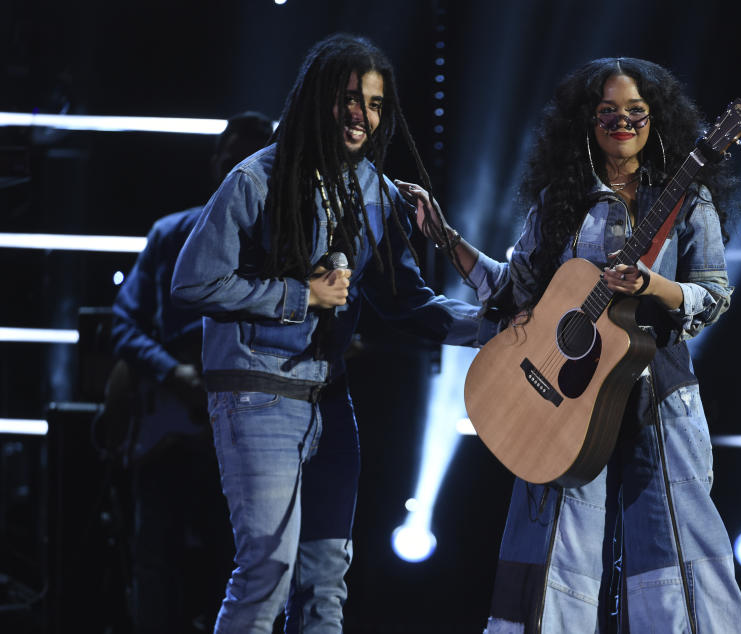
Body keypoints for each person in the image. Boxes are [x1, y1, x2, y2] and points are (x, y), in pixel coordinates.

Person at [398, 57, 741, 632]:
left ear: (655, 118)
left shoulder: (688, 200)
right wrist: (445, 236)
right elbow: (517, 292)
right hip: (567, 396)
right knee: (555, 550)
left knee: (679, 542)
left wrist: (651, 284)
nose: (622, 122)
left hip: (656, 388)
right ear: (586, 122)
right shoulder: (562, 201)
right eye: (608, 111)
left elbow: (713, 295)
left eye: (636, 111)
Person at [170, 34, 493, 633]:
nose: (361, 114)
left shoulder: (375, 188)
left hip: (330, 399)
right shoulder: (257, 179)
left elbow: (405, 299)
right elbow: (192, 282)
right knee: (267, 570)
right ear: (320, 98)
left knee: (324, 580)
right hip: (256, 392)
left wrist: (492, 329)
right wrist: (300, 295)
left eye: (373, 103)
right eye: (350, 96)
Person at [109, 111, 275, 633]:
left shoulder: (282, 245)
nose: (238, 169)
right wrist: (172, 373)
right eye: (231, 158)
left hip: (241, 432)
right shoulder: (170, 233)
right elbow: (122, 324)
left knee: (238, 563)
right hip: (172, 430)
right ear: (215, 163)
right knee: (154, 558)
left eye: (249, 160)